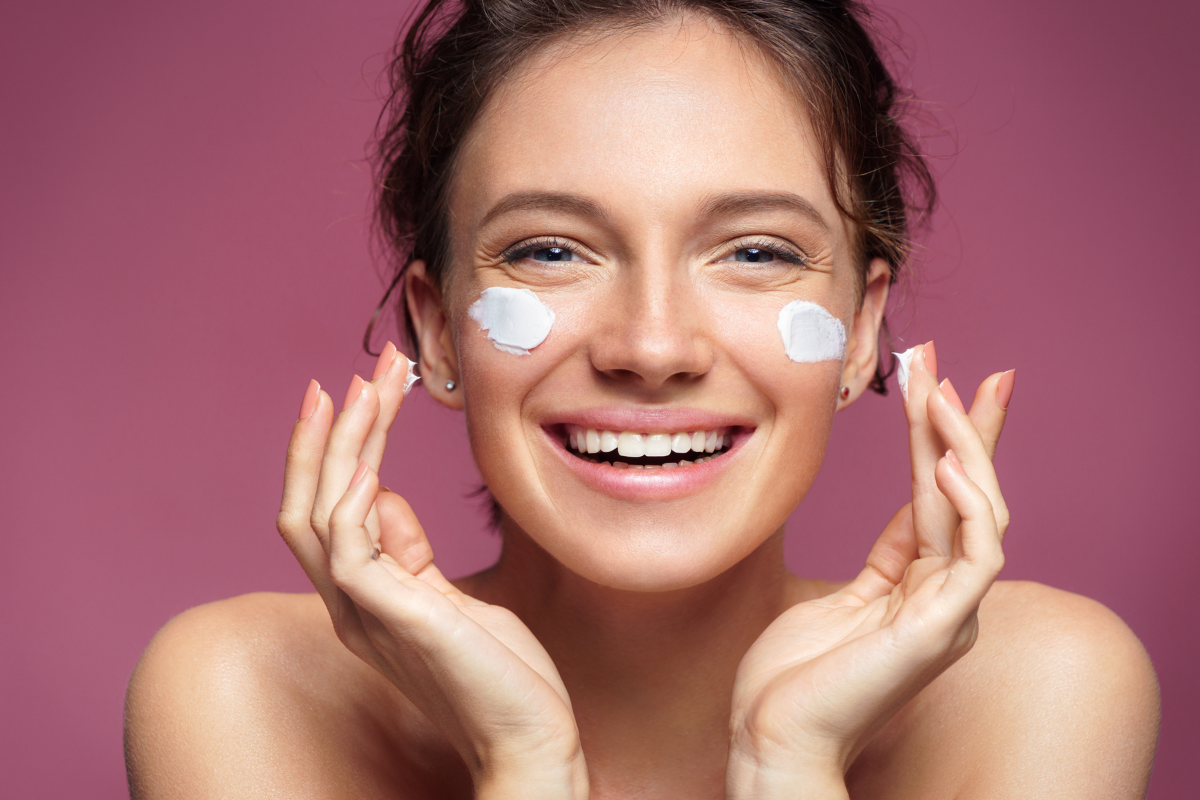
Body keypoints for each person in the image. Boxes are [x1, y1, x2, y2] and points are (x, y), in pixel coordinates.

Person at [123, 1, 1160, 797]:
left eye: (755, 250)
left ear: (862, 331)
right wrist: (524, 760)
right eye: (551, 249)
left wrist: (789, 762)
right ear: (436, 329)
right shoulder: (246, 691)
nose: (652, 345)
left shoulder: (1040, 685)